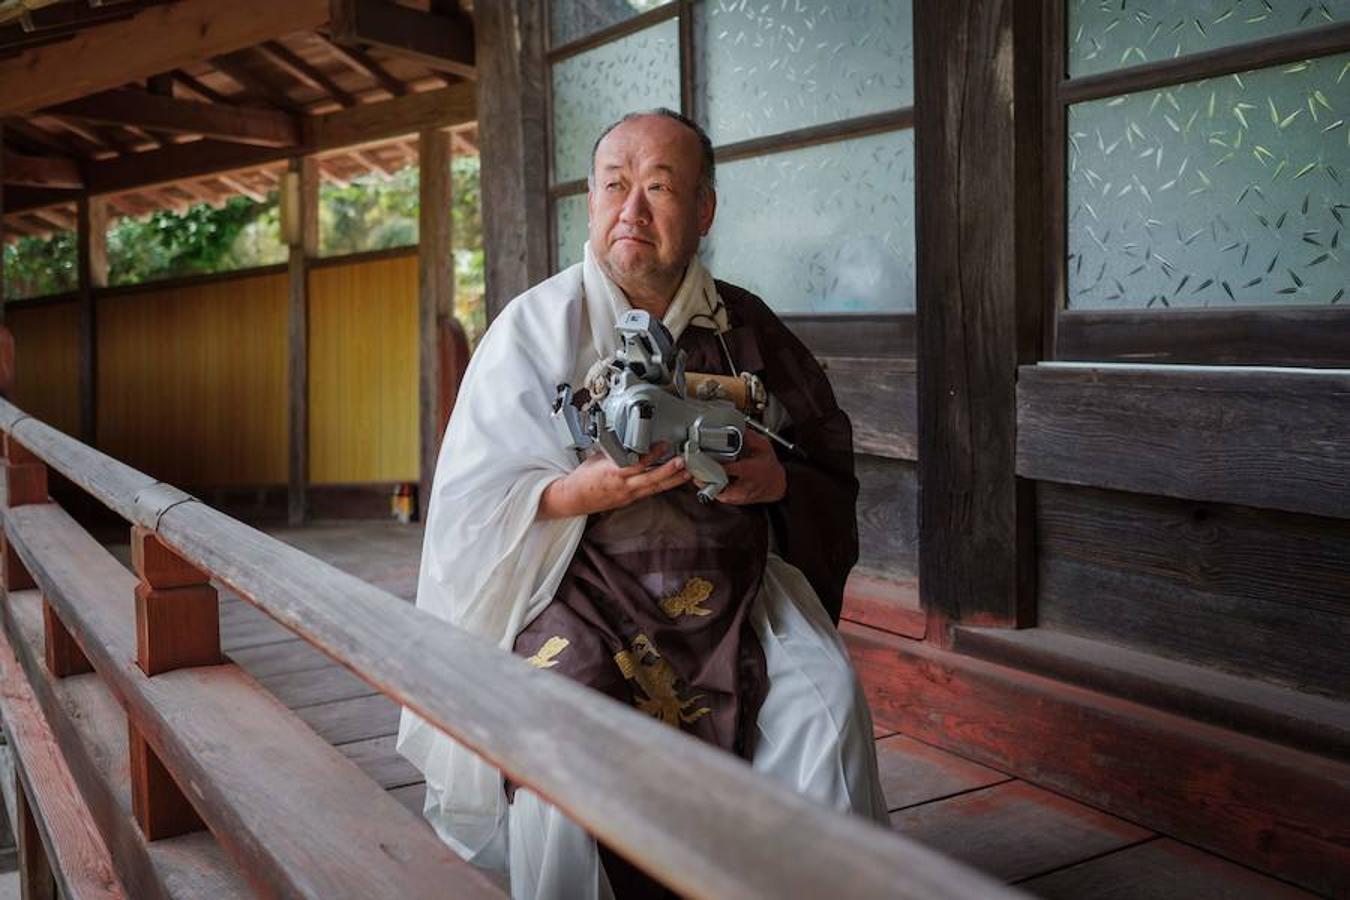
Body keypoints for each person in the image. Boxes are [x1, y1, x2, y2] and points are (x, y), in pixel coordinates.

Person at [397, 108, 887, 899]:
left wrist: (780, 482)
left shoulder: (748, 331)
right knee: (560, 737)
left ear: (702, 211)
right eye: (615, 187)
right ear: (590, 204)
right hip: (580, 592)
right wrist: (573, 492)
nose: (633, 209)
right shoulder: (532, 329)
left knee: (823, 706)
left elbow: (824, 459)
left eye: (659, 188)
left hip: (738, 586)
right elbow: (468, 508)